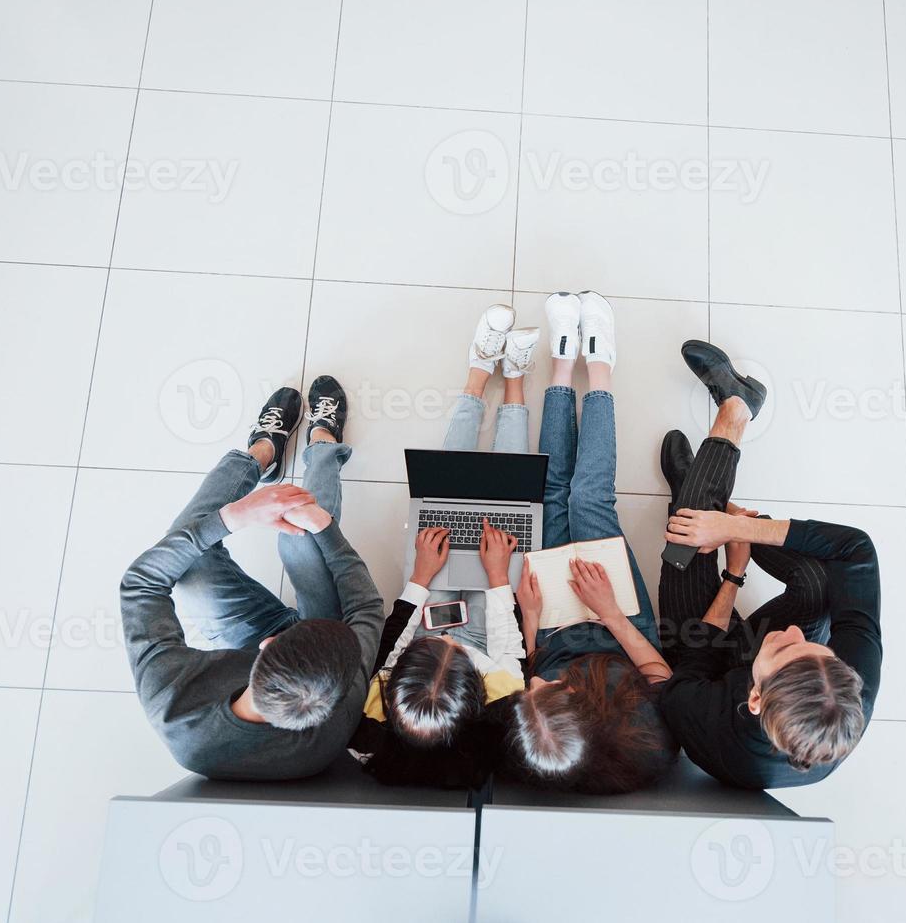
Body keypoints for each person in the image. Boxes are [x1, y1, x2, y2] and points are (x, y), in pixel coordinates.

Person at [120, 377, 382, 780]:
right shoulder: (337, 705)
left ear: (268, 645)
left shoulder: (172, 705)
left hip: (242, 645)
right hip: (297, 648)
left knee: (188, 563)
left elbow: (140, 583)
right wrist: (325, 527)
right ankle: (322, 443)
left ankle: (260, 453)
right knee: (303, 536)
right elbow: (365, 608)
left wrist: (234, 517)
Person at [657, 340, 882, 789]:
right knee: (819, 582)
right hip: (756, 662)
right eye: (817, 647)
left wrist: (734, 575)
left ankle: (734, 414)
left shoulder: (712, 731)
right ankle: (706, 501)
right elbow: (856, 549)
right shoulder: (845, 687)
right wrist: (735, 532)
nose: (796, 633)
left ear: (754, 699)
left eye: (786, 647)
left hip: (701, 657)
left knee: (684, 542)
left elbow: (696, 665)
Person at [349, 305, 540, 787]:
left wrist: (420, 577)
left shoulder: (372, 715)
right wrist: (498, 579)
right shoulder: (500, 712)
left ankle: (478, 373)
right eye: (451, 649)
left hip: (422, 620)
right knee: (507, 504)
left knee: (445, 495)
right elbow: (510, 653)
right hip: (492, 640)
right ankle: (514, 380)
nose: (450, 638)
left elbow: (394, 639)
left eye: (443, 644)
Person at [502, 291, 678, 794]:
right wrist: (610, 611)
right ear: (582, 702)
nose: (531, 683)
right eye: (545, 690)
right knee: (589, 501)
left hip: (555, 631)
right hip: (620, 630)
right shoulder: (641, 732)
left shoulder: (541, 735)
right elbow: (660, 673)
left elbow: (532, 668)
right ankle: (600, 368)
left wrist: (530, 619)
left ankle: (561, 366)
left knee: (551, 498)